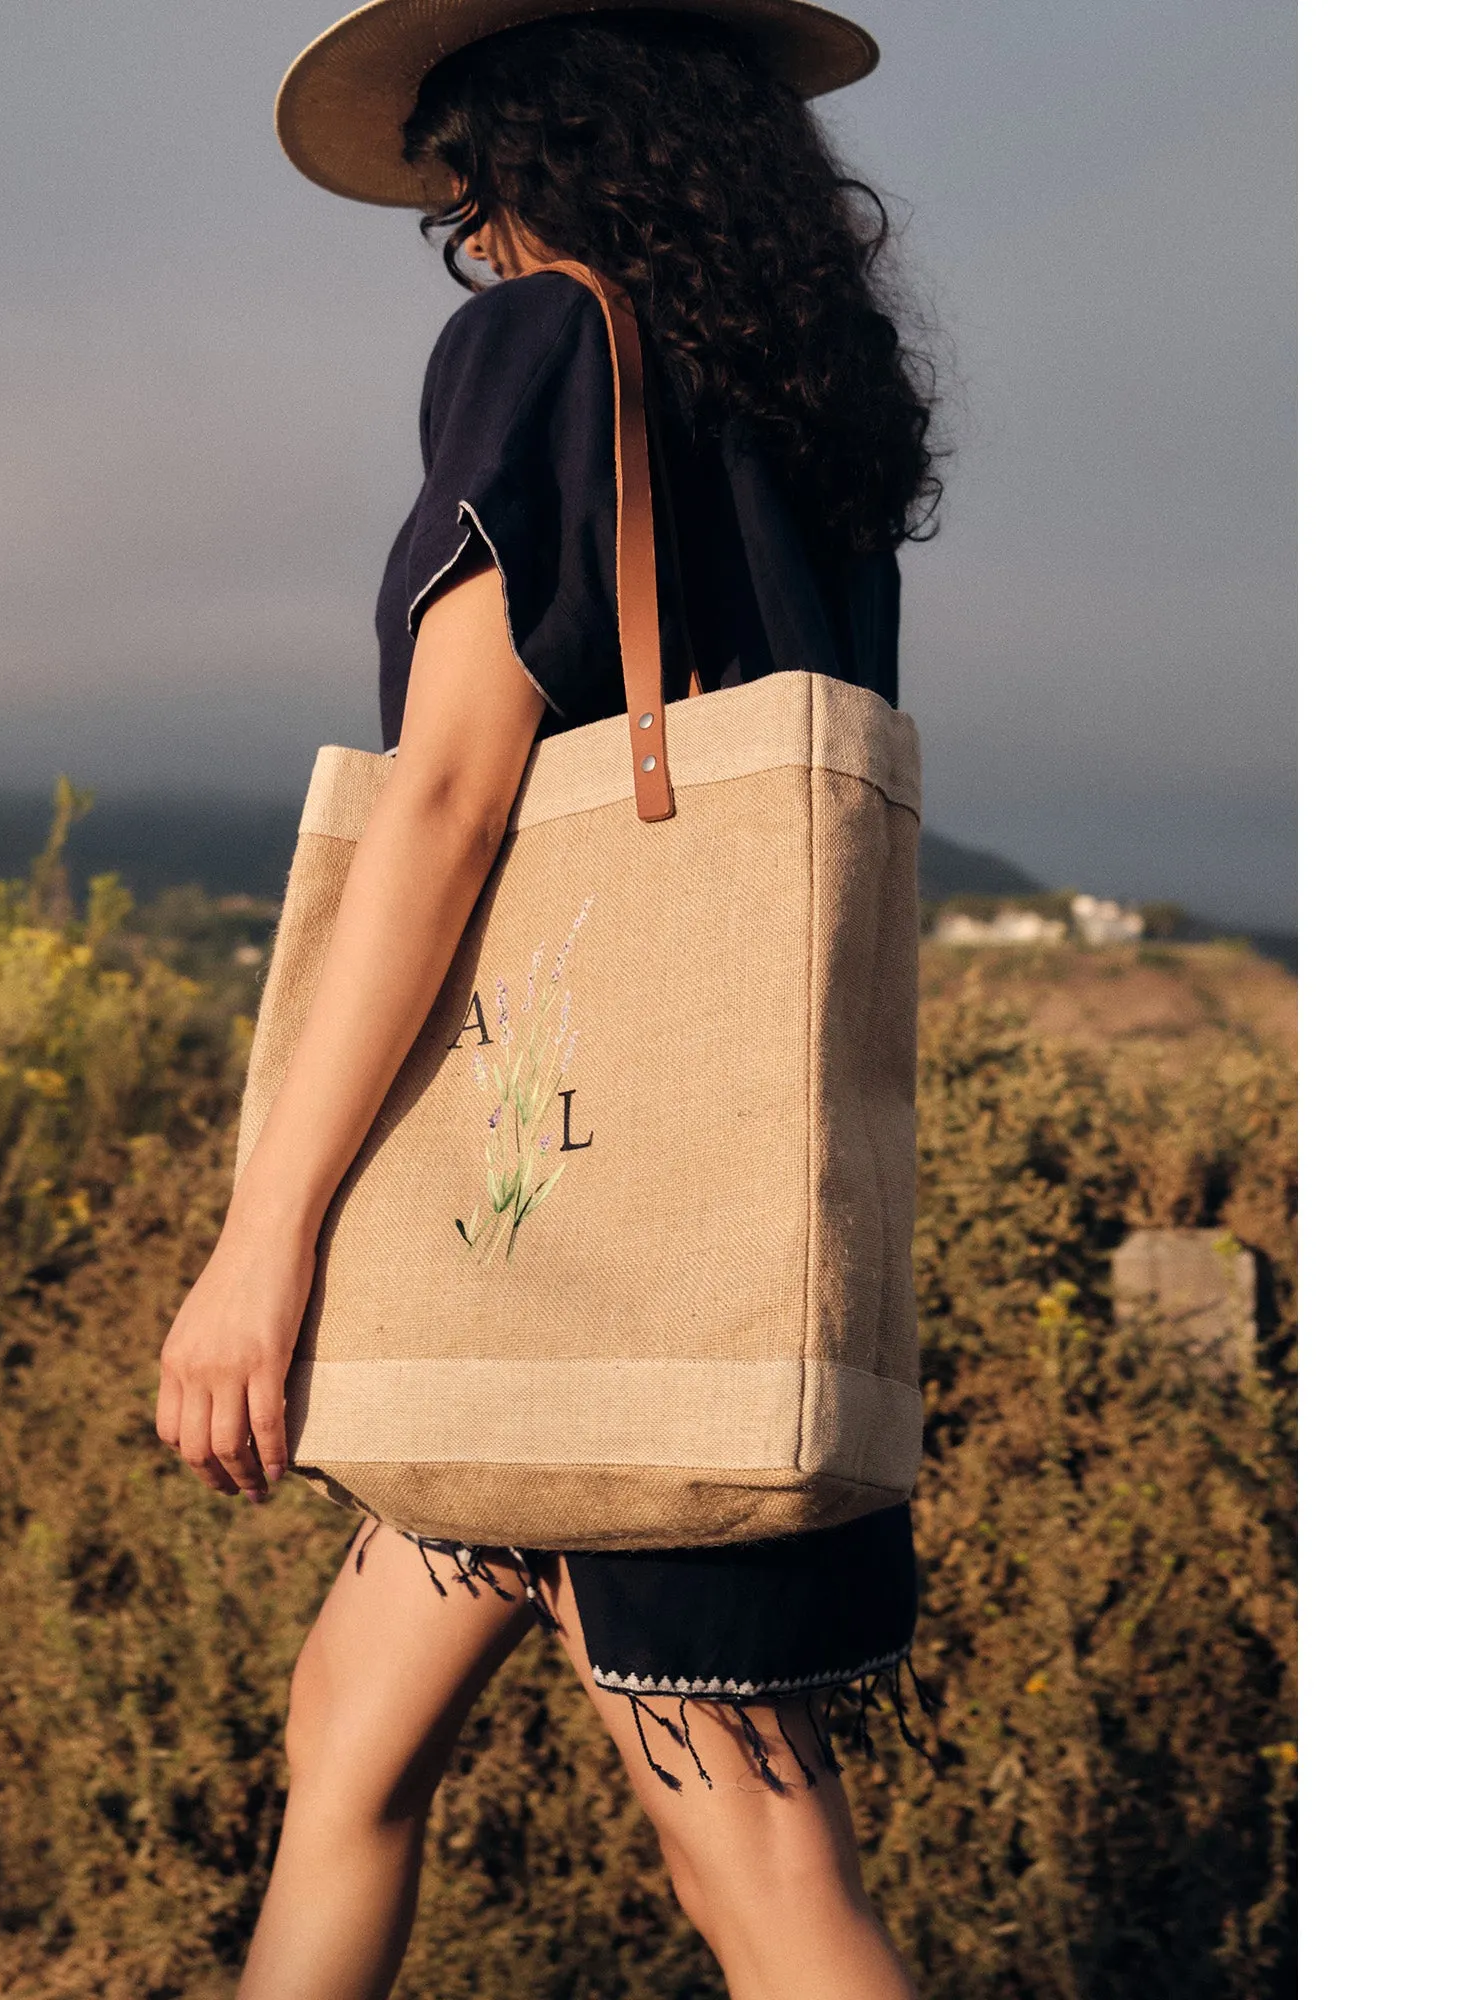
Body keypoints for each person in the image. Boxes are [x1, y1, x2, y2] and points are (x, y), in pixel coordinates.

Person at [154, 6, 943, 1995]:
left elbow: (447, 793)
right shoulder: (799, 405)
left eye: (456, 152)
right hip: (668, 1225)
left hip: (600, 1273)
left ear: (539, 133)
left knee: (763, 1883)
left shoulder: (539, 351)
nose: (457, 213)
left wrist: (263, 1240)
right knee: (347, 1731)